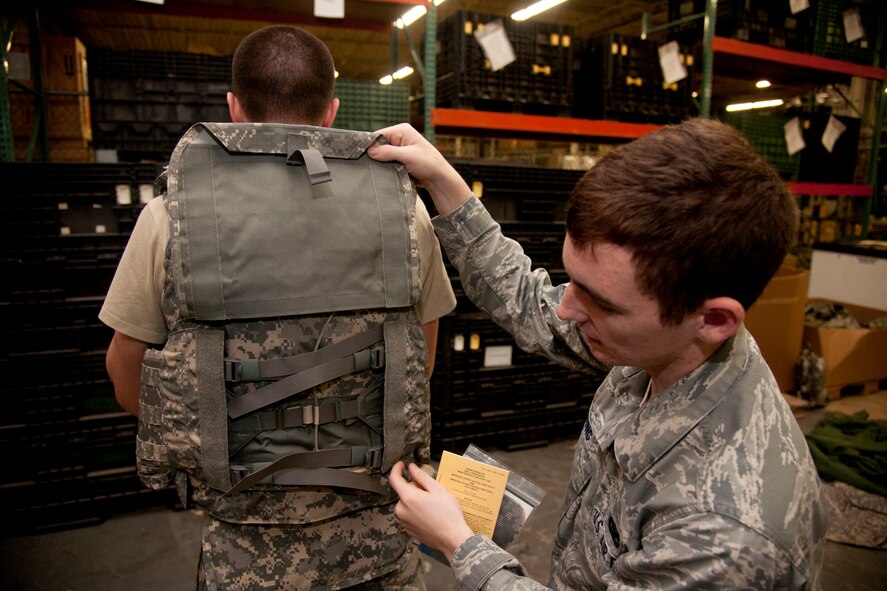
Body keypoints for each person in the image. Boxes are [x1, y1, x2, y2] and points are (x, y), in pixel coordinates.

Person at [370, 119, 828, 590]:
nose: (566, 309)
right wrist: (445, 181)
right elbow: (527, 299)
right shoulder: (663, 344)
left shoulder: (725, 534)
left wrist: (460, 544)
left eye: (600, 302)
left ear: (712, 320)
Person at [99, 26, 456, 590]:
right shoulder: (405, 217)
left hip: (245, 559)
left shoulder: (172, 218)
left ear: (234, 109)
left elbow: (127, 381)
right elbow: (422, 364)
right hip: (380, 554)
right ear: (333, 111)